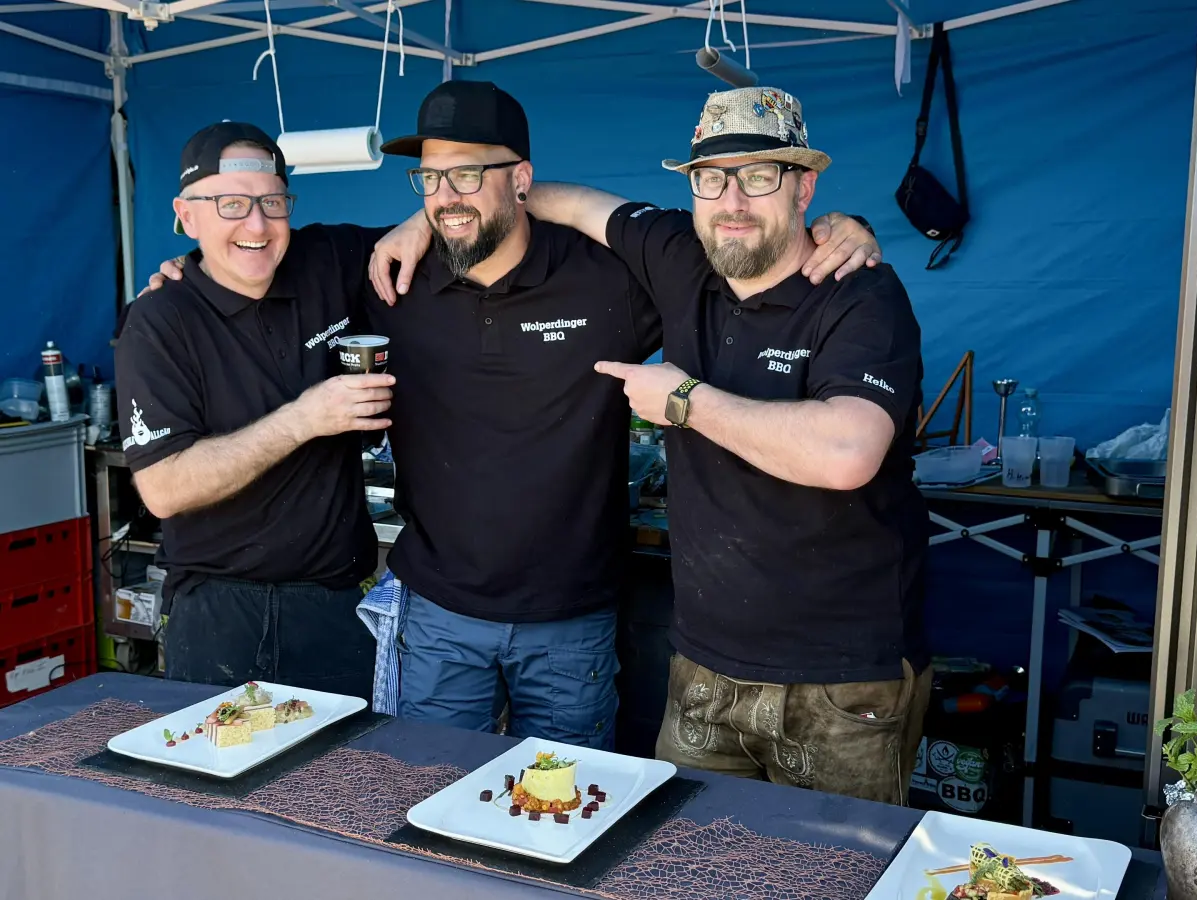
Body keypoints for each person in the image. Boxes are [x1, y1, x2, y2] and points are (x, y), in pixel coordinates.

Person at [147, 81, 881, 746]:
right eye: (431, 178)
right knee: (425, 812)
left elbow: (742, 247)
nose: (446, 195)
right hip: (435, 618)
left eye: (467, 173)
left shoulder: (612, 282)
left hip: (575, 620)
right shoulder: (384, 277)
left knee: (562, 818)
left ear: (521, 179)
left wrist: (838, 228)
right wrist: (185, 270)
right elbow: (245, 259)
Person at [370, 86, 930, 804]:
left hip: (842, 679)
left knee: (829, 875)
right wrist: (428, 216)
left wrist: (683, 402)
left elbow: (847, 451)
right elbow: (569, 202)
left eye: (760, 176)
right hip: (702, 670)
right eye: (711, 179)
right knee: (680, 866)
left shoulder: (859, 294)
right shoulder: (681, 261)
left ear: (804, 187)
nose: (732, 200)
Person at [115, 122, 393, 698]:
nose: (257, 225)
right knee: (214, 785)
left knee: (350, 783)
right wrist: (305, 419)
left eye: (272, 202)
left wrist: (422, 230)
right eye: (231, 205)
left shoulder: (327, 260)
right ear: (186, 216)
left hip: (337, 607)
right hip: (219, 617)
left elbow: (447, 224)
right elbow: (164, 488)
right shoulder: (161, 322)